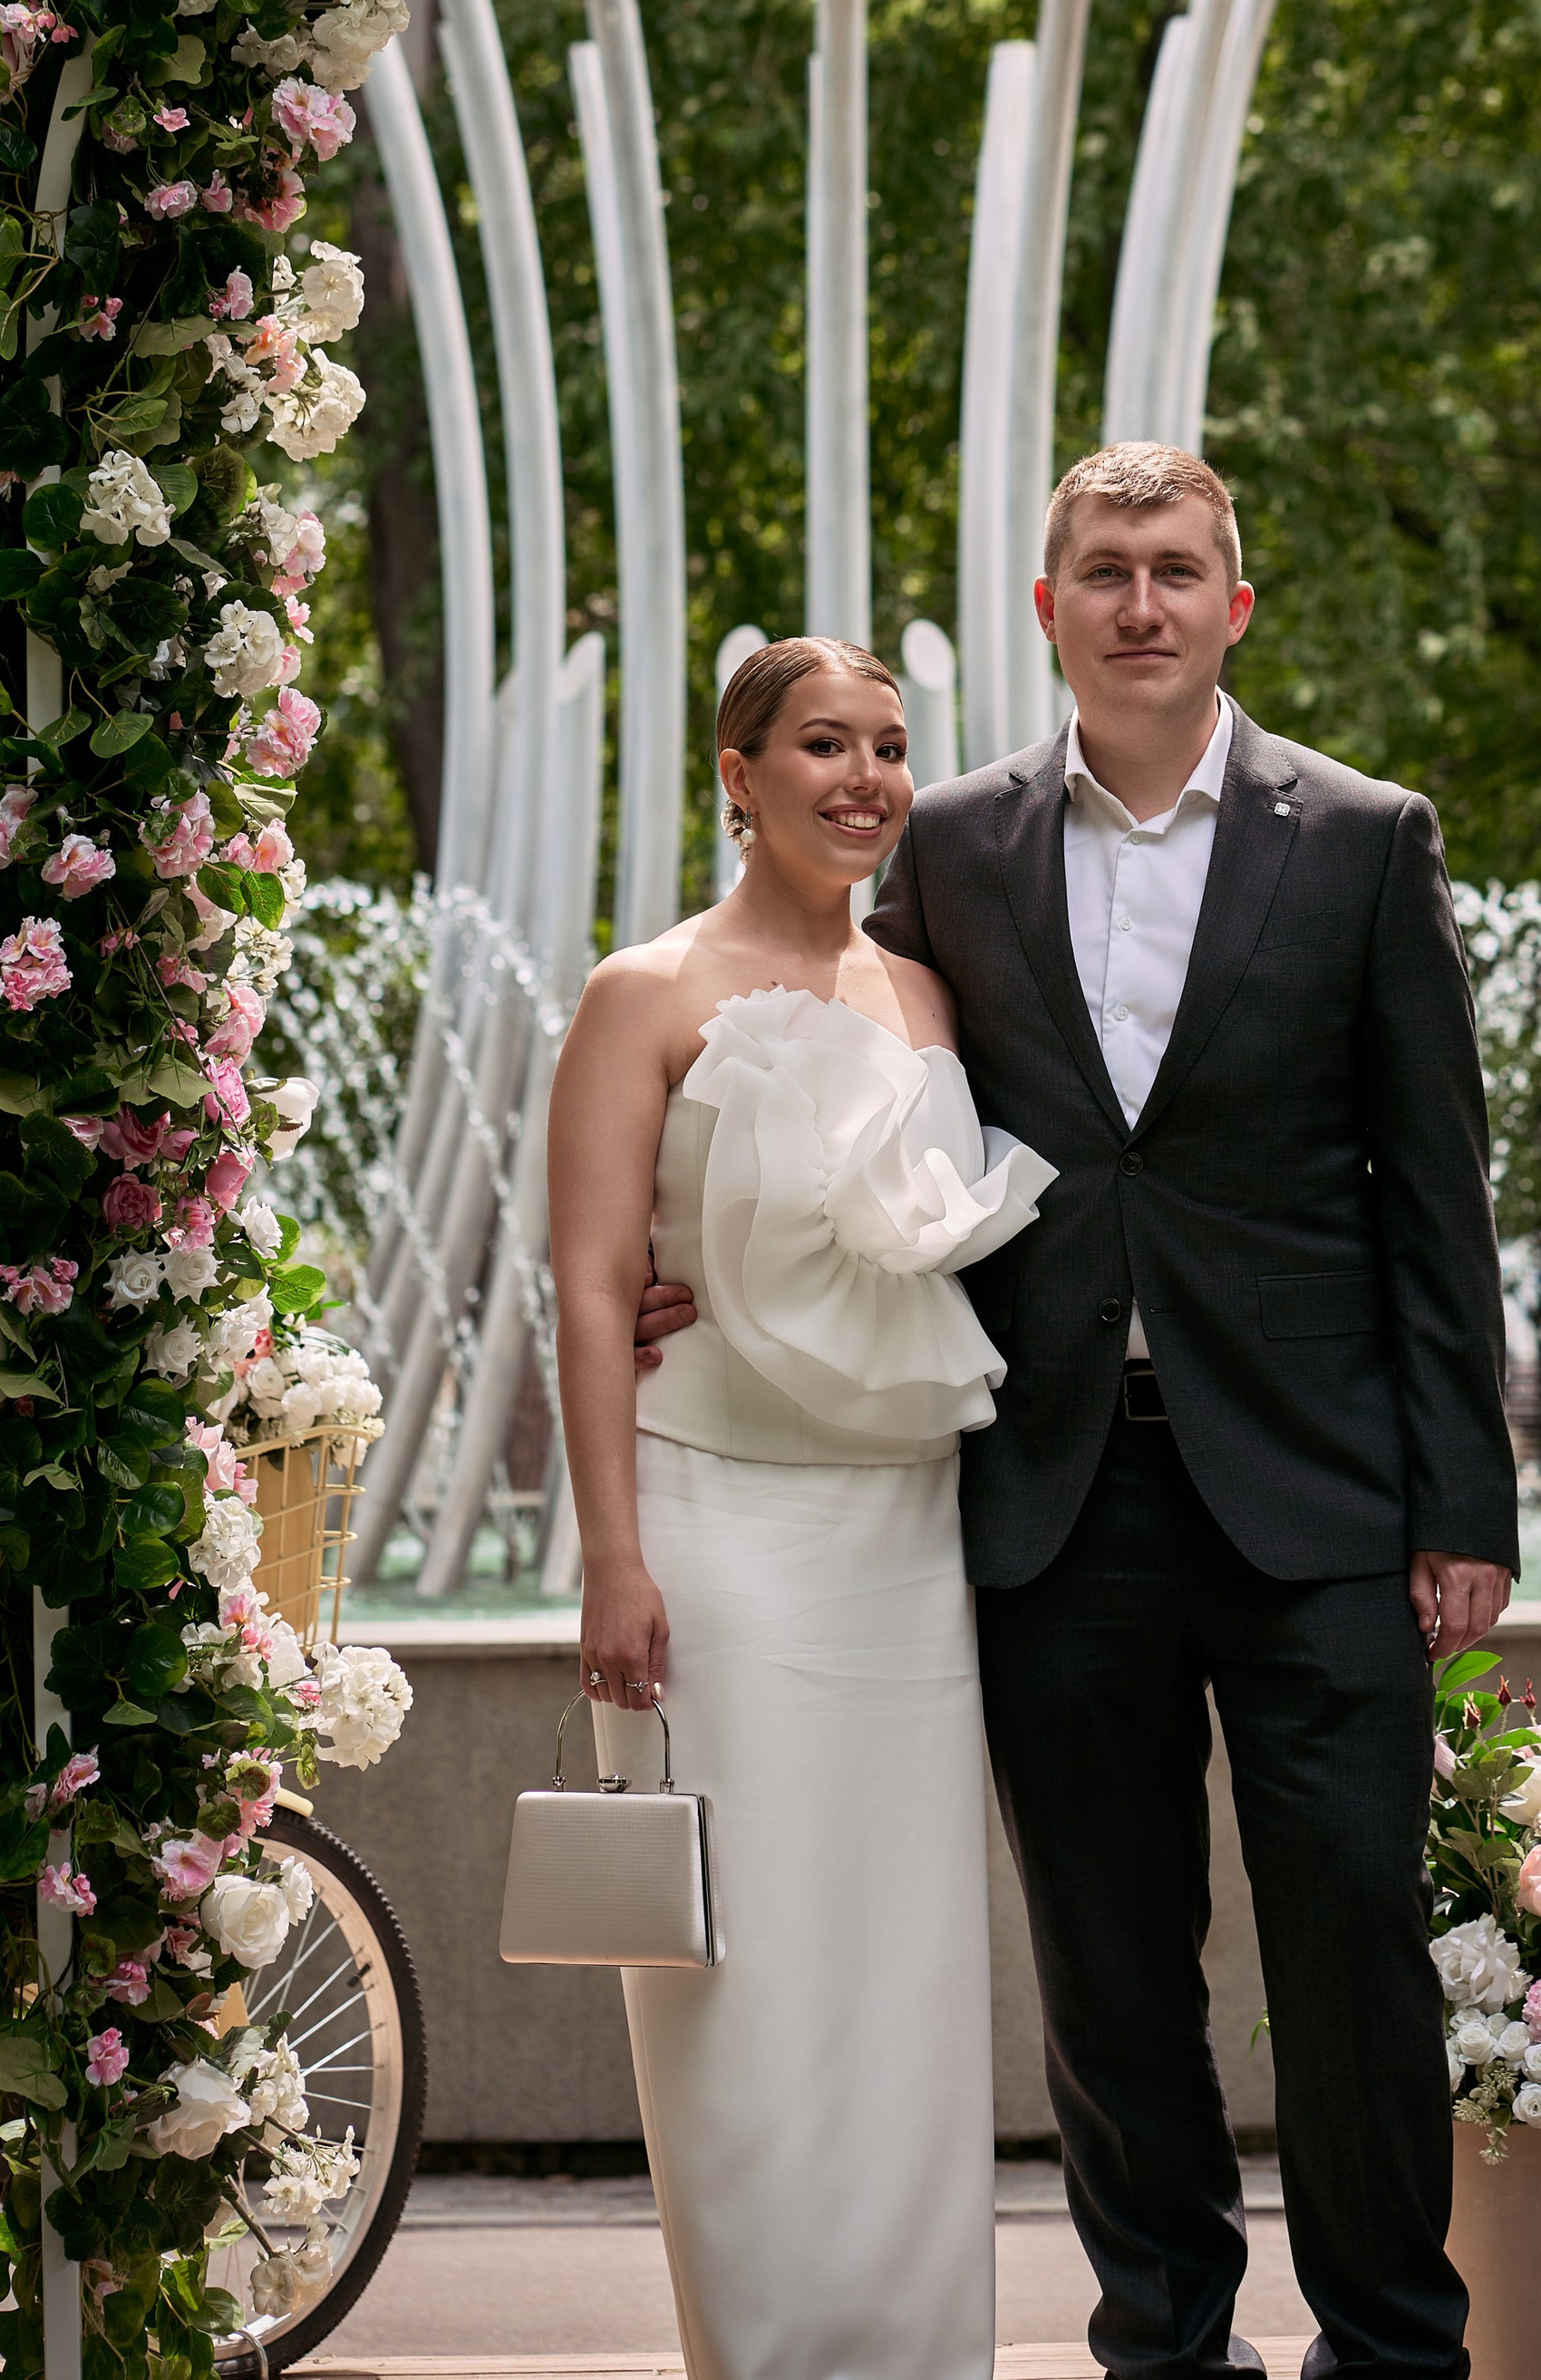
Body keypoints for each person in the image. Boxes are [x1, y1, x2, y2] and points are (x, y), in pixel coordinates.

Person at [638, 447, 1519, 2380]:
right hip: (1052, 1494)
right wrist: (673, 1245)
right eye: (1104, 571)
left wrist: (1465, 1504)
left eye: (1176, 570)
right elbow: (817, 1065)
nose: (1141, 603)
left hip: (1320, 1499)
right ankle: (1165, 2350)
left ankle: (1391, 2347)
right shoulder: (949, 843)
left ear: (1233, 606)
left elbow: (1435, 1195)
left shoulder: (1364, 837)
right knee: (1112, 1979)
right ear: (1048, 609)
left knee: (1353, 1944)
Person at [552, 634, 1053, 2380]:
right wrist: (612, 1559)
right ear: (738, 774)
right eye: (824, 744)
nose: (865, 779)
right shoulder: (643, 992)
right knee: (743, 1981)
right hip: (717, 1535)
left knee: (906, 1974)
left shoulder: (928, 995)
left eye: (890, 747)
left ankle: (920, 2353)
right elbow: (587, 1288)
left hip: (909, 1538)